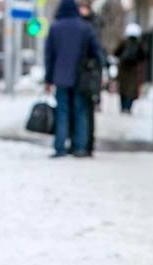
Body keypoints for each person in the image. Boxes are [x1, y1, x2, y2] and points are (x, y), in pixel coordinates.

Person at [45, 0, 104, 158]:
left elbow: (49, 56)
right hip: (81, 77)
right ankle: (79, 146)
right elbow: (97, 53)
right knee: (80, 112)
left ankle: (60, 147)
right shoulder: (85, 27)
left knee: (62, 112)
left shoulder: (55, 27)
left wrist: (48, 79)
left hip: (60, 76)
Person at [77, 0, 105, 155]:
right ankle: (82, 143)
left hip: (90, 72)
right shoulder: (85, 24)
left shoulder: (92, 26)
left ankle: (87, 144)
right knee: (83, 109)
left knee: (87, 109)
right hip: (83, 72)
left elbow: (97, 52)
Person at [115, 23, 147, 114]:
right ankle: (128, 107)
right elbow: (143, 56)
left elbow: (116, 53)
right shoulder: (139, 43)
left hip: (123, 68)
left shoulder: (123, 42)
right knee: (131, 89)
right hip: (133, 68)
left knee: (123, 88)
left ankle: (122, 107)